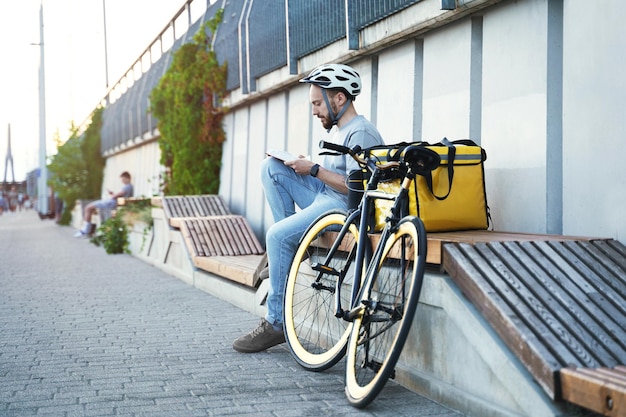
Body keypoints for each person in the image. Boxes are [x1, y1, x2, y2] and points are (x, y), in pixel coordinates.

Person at [233, 63, 385, 353]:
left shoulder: (361, 133)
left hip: (342, 205)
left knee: (277, 235)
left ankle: (275, 323)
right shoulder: (341, 130)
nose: (314, 110)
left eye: (318, 103)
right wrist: (303, 166)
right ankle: (291, 250)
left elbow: (359, 187)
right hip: (324, 194)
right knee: (272, 167)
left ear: (339, 98)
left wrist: (313, 169)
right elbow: (329, 174)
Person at [74, 171, 134, 237]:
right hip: (112, 202)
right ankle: (87, 229)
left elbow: (115, 196)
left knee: (88, 208)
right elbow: (118, 196)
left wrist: (112, 195)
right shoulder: (127, 186)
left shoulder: (128, 186)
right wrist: (112, 194)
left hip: (111, 202)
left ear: (127, 178)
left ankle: (85, 230)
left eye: (123, 179)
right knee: (90, 209)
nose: (122, 181)